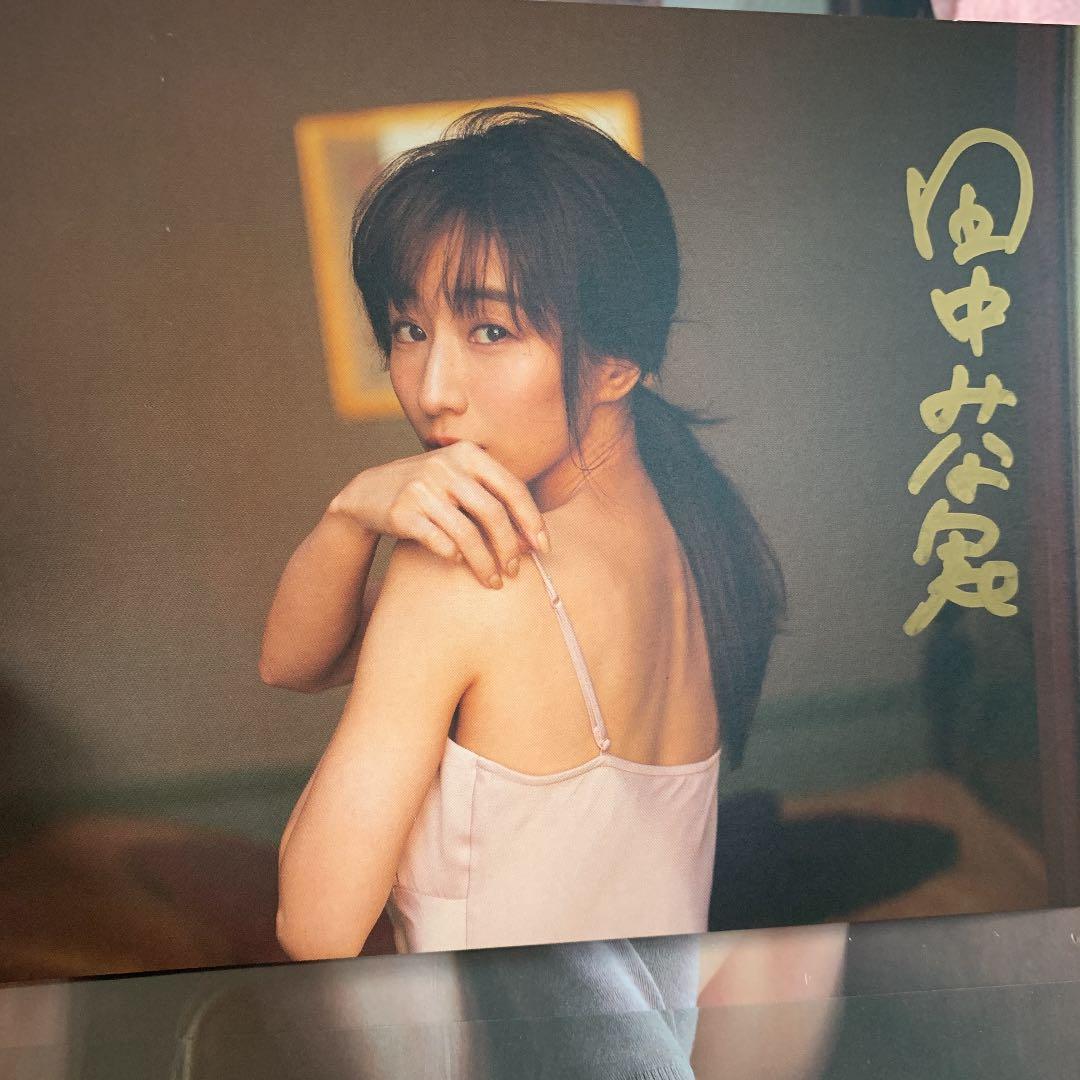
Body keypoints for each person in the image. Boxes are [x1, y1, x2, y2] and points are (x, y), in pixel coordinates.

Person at [263, 105, 785, 961]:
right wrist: (351, 511)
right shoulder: (689, 533)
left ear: (616, 361)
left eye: (490, 331)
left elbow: (313, 927)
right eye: (410, 329)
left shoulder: (464, 575)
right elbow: (290, 664)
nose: (433, 389)